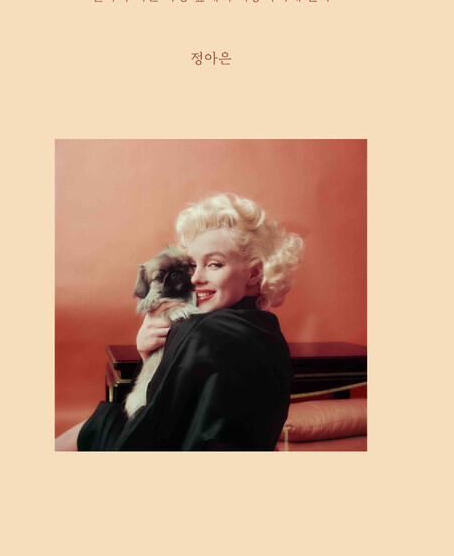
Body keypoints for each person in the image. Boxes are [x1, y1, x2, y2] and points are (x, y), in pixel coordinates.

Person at [55, 193, 303, 451]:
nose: (194, 278)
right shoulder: (269, 331)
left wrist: (152, 353)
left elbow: (149, 424)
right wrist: (149, 353)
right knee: (100, 422)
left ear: (254, 272)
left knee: (97, 426)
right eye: (193, 265)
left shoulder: (199, 331)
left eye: (214, 264)